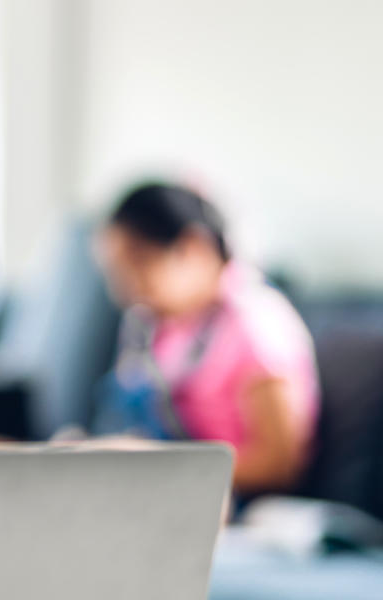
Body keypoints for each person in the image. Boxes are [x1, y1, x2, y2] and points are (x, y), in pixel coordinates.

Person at [93, 182, 318, 496]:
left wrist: (158, 467)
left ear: (193, 247)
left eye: (140, 263)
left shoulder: (257, 325)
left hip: (234, 505)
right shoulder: (164, 326)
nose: (127, 289)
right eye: (118, 272)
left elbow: (280, 463)